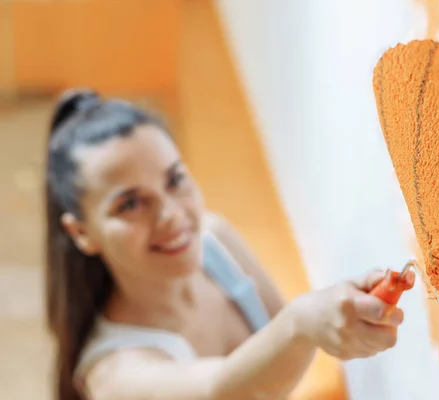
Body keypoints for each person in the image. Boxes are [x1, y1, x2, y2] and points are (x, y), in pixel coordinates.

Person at [45, 88, 416, 400]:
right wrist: (303, 321)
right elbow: (220, 389)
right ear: (82, 233)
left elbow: (285, 341)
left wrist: (322, 319)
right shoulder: (113, 375)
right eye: (130, 204)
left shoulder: (214, 241)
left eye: (174, 180)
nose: (170, 216)